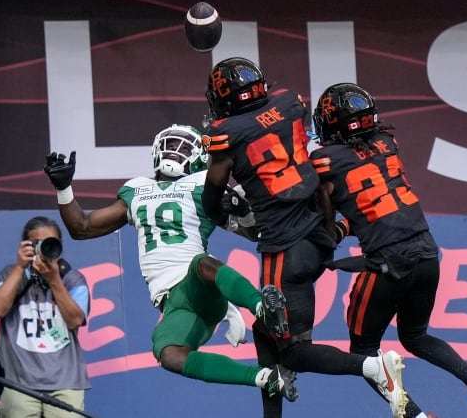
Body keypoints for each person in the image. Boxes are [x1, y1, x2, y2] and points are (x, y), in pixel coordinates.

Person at [201, 56, 408, 418]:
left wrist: (231, 220)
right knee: (266, 330)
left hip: (284, 250)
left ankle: (373, 368)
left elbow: (212, 198)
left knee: (295, 349)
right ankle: (276, 396)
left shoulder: (226, 134)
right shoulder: (288, 102)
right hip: (318, 235)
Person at [42, 124, 299, 403]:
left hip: (199, 283)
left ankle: (263, 308)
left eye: (185, 146)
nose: (175, 152)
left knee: (203, 263)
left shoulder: (204, 185)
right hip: (173, 302)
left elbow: (255, 232)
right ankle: (265, 378)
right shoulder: (137, 189)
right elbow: (81, 228)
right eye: (171, 143)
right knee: (168, 354)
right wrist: (64, 189)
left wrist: (244, 212)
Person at [310, 82, 467, 418]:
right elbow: (377, 203)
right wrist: (346, 225)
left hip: (388, 262)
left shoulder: (323, 161)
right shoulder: (387, 142)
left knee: (364, 351)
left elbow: (326, 228)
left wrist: (332, 227)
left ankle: (415, 416)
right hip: (427, 252)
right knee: (415, 335)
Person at [0, 216, 91, 418]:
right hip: (17, 381)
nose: (44, 248)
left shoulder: (72, 279)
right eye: (38, 243)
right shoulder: (11, 274)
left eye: (50, 242)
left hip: (66, 381)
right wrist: (20, 267)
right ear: (26, 245)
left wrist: (54, 280)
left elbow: (75, 320)